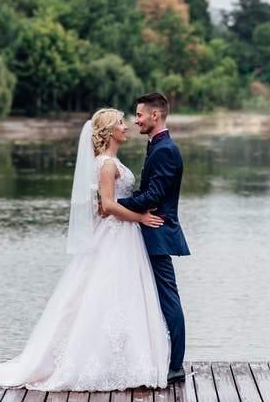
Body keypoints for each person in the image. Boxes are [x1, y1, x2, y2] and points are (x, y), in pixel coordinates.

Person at [0, 108, 170, 392]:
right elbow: (108, 205)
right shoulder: (106, 164)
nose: (126, 126)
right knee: (106, 295)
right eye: (120, 123)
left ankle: (125, 360)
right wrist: (140, 217)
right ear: (108, 132)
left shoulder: (110, 161)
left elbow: (111, 204)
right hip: (116, 236)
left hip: (123, 237)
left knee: (120, 295)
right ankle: (99, 361)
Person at [117, 92, 190, 384]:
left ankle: (175, 365)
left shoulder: (165, 150)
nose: (136, 120)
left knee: (168, 298)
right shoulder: (156, 146)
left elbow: (155, 195)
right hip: (149, 230)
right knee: (152, 297)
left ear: (155, 115)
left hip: (158, 231)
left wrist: (114, 206)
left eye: (140, 115)